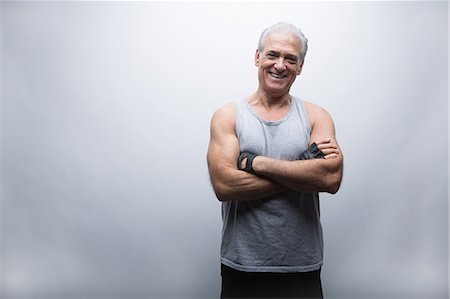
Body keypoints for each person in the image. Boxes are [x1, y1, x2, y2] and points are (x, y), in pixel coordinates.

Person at [207, 22, 344, 299]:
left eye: (290, 58)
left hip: (301, 264)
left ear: (300, 66)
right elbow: (224, 186)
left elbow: (329, 179)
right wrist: (304, 166)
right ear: (257, 57)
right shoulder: (228, 115)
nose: (280, 65)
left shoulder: (317, 116)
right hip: (242, 264)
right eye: (273, 55)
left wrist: (255, 163)